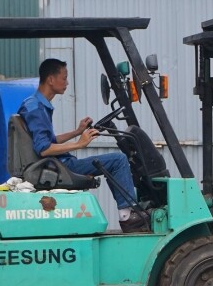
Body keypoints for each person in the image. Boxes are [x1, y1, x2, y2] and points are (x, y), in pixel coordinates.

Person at [19, 58, 150, 233]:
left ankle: (127, 212)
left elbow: (49, 141)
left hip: (55, 163)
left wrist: (77, 131)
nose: (67, 83)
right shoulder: (36, 108)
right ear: (51, 80)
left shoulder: (36, 104)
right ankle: (128, 217)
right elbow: (44, 149)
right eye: (64, 78)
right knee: (118, 160)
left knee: (112, 162)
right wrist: (79, 144)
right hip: (58, 165)